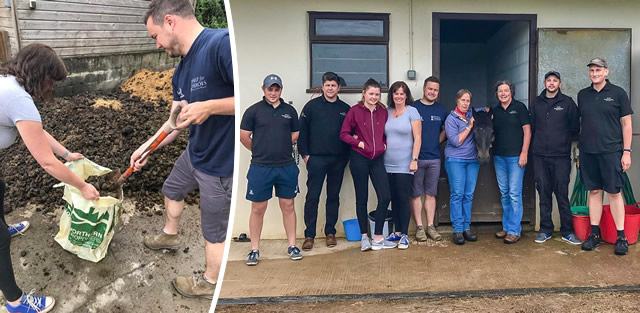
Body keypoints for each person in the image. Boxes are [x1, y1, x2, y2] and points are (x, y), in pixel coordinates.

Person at [131, 0, 235, 298]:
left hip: (220, 165)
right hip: (196, 153)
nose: (156, 45)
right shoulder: (181, 71)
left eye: (155, 37)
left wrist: (211, 107)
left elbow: (255, 100)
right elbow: (174, 123)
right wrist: (146, 148)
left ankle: (210, 283)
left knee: (213, 234)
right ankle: (170, 235)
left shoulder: (221, 44)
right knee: (171, 188)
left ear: (170, 22)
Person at [0, 43, 99, 313]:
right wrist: (83, 186)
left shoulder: (8, 85)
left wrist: (67, 153)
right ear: (40, 75)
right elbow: (46, 162)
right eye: (51, 81)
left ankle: (2, 225)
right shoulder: (17, 98)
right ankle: (15, 304)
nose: (51, 88)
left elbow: (37, 133)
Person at [240, 74, 302, 265]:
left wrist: (280, 146)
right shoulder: (253, 111)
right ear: (263, 90)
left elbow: (295, 133)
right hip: (261, 167)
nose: (273, 93)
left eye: (276, 89)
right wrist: (260, 150)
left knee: (288, 206)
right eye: (270, 89)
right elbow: (244, 136)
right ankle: (254, 249)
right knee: (258, 208)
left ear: (281, 90)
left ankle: (292, 245)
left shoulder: (290, 111)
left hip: (286, 166)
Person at [577, 57, 633, 255]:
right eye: (592, 70)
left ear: (606, 72)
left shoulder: (618, 93)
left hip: (611, 152)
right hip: (588, 152)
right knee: (593, 192)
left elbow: (627, 124)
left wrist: (626, 152)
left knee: (614, 193)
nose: (595, 74)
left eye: (598, 70)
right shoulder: (583, 95)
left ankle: (621, 236)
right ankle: (594, 234)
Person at [340, 78, 395, 251]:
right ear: (364, 93)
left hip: (377, 158)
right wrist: (359, 144)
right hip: (359, 158)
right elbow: (344, 134)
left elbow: (386, 132)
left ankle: (378, 237)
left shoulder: (383, 112)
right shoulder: (354, 111)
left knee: (385, 196)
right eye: (371, 94)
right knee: (361, 198)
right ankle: (364, 237)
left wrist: (383, 144)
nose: (374, 97)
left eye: (377, 94)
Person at [298, 72, 350, 251]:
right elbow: (301, 132)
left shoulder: (345, 108)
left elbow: (350, 134)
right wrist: (305, 155)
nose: (330, 88)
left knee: (333, 197)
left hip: (338, 159)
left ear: (338, 88)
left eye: (333, 85)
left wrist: (346, 156)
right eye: (327, 85)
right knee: (312, 197)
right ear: (322, 87)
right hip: (316, 159)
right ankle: (309, 235)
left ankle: (330, 232)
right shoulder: (311, 106)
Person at [530, 71, 581, 245]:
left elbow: (575, 127)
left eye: (555, 81)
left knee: (561, 193)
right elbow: (533, 127)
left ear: (559, 83)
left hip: (560, 156)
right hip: (539, 156)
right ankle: (545, 229)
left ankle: (567, 230)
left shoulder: (567, 103)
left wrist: (563, 140)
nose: (551, 83)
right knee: (543, 192)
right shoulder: (536, 103)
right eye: (549, 80)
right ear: (544, 83)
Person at [492, 80, 531, 244]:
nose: (503, 94)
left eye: (506, 91)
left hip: (516, 157)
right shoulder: (495, 111)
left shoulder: (520, 108)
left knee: (515, 194)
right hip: (499, 157)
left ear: (511, 92)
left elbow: (527, 132)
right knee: (505, 193)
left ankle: (515, 230)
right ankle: (507, 227)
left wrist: (524, 152)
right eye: (500, 91)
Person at [383, 81, 421, 249]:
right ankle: (396, 232)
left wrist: (414, 159)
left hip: (405, 163)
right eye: (396, 93)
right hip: (386, 163)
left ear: (406, 95)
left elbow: (418, 138)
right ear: (392, 95)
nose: (399, 96)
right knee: (393, 198)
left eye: (402, 93)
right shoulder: (387, 112)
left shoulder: (412, 111)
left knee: (403, 198)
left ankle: (404, 235)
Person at [410, 76, 447, 242]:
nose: (432, 92)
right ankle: (419, 228)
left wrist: (435, 142)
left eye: (436, 90)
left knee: (431, 194)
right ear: (424, 89)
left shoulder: (441, 110)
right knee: (416, 194)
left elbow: (447, 129)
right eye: (430, 89)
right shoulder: (413, 108)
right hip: (416, 159)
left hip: (434, 158)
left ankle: (430, 226)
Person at [444, 89, 480, 245]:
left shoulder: (472, 114)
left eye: (468, 101)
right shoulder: (451, 119)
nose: (466, 103)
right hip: (455, 160)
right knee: (457, 194)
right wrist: (469, 127)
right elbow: (456, 141)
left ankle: (466, 227)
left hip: (473, 161)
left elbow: (486, 110)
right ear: (457, 101)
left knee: (469, 194)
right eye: (463, 100)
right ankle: (457, 230)